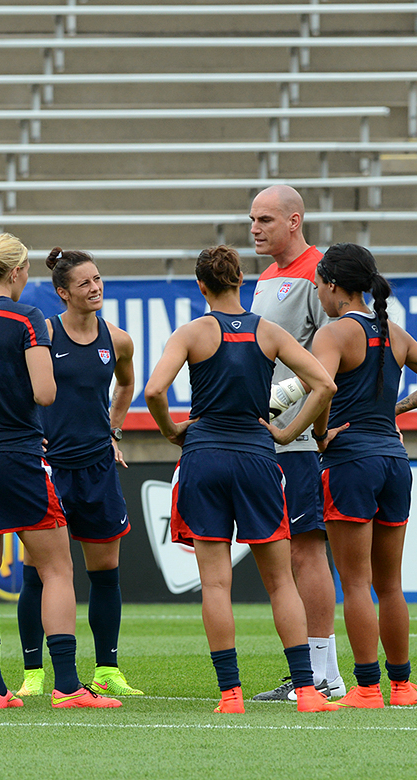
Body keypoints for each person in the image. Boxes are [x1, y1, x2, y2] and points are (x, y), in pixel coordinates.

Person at [0, 232, 120, 710]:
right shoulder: (28, 317)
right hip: (17, 456)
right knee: (57, 569)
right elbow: (46, 393)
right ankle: (69, 686)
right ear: (16, 272)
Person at [144, 245, 337, 714]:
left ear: (201, 286)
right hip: (257, 456)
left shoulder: (191, 333)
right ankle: (308, 692)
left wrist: (173, 433)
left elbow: (153, 390)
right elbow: (325, 384)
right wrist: (291, 432)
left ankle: (230, 695)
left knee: (215, 584)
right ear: (241, 281)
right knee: (280, 582)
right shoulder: (268, 331)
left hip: (204, 456)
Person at [309, 243, 417, 709]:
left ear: (333, 285)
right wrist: (393, 411)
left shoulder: (333, 334)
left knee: (354, 583)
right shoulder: (393, 332)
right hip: (394, 461)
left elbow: (323, 388)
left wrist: (318, 433)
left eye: (318, 284)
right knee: (389, 583)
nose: (317, 291)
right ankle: (403, 686)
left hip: (351, 462)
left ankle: (367, 688)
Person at [15, 248, 143, 699]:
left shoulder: (118, 339)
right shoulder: (43, 335)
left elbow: (127, 383)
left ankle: (107, 669)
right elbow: (18, 388)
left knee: (105, 570)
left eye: (98, 279)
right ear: (63, 292)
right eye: (85, 283)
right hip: (49, 470)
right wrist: (30, 435)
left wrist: (114, 428)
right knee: (38, 571)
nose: (96, 287)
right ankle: (34, 672)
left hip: (98, 467)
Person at [248, 185, 347, 701]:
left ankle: (325, 675)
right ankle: (315, 672)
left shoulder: (317, 273)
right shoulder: (265, 277)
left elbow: (330, 359)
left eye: (265, 219)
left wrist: (283, 407)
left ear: (295, 219)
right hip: (268, 437)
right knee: (289, 554)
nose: (255, 228)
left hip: (299, 436)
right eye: (251, 219)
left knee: (307, 551)